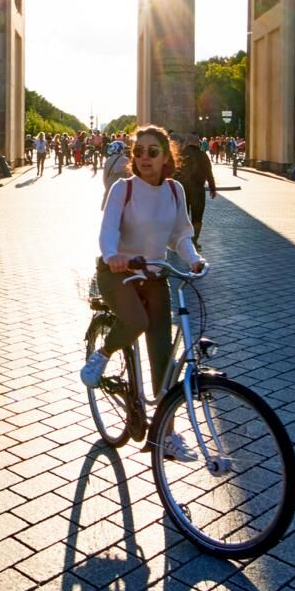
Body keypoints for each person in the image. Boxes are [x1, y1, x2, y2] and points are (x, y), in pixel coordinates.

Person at [80, 124, 204, 460]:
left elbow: (180, 235)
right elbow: (107, 231)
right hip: (118, 272)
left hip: (154, 273)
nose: (144, 157)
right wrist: (113, 256)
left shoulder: (175, 191)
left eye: (152, 151)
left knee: (163, 360)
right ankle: (102, 355)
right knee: (135, 320)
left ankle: (167, 435)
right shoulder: (124, 188)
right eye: (139, 151)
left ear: (166, 156)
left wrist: (193, 259)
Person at [178, 133, 217, 243]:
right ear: (198, 142)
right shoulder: (203, 156)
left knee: (182, 215)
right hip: (198, 190)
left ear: (187, 142)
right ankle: (194, 239)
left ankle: (182, 239)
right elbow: (209, 173)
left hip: (183, 189)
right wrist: (212, 188)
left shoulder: (181, 154)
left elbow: (175, 172)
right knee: (197, 216)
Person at [102, 137, 130, 203]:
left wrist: (108, 187)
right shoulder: (125, 160)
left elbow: (104, 178)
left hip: (109, 190)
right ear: (120, 149)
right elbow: (129, 176)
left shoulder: (108, 160)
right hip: (122, 192)